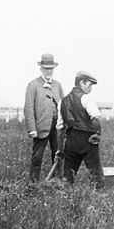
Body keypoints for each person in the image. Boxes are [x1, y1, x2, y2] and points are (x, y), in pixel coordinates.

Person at [59, 71, 104, 188]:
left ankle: (65, 198)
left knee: (68, 176)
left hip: (70, 141)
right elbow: (96, 118)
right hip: (88, 140)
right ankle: (97, 196)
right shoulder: (86, 98)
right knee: (96, 173)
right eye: (89, 85)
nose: (91, 88)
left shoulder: (62, 102)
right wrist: (98, 134)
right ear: (81, 82)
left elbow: (60, 128)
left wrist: (60, 149)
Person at [24, 53, 64, 182]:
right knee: (37, 157)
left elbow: (63, 105)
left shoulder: (57, 85)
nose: (49, 71)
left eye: (51, 68)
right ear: (41, 68)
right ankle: (33, 184)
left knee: (58, 155)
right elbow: (28, 108)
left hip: (57, 127)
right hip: (41, 127)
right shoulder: (33, 85)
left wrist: (64, 126)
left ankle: (56, 182)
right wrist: (32, 129)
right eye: (46, 68)